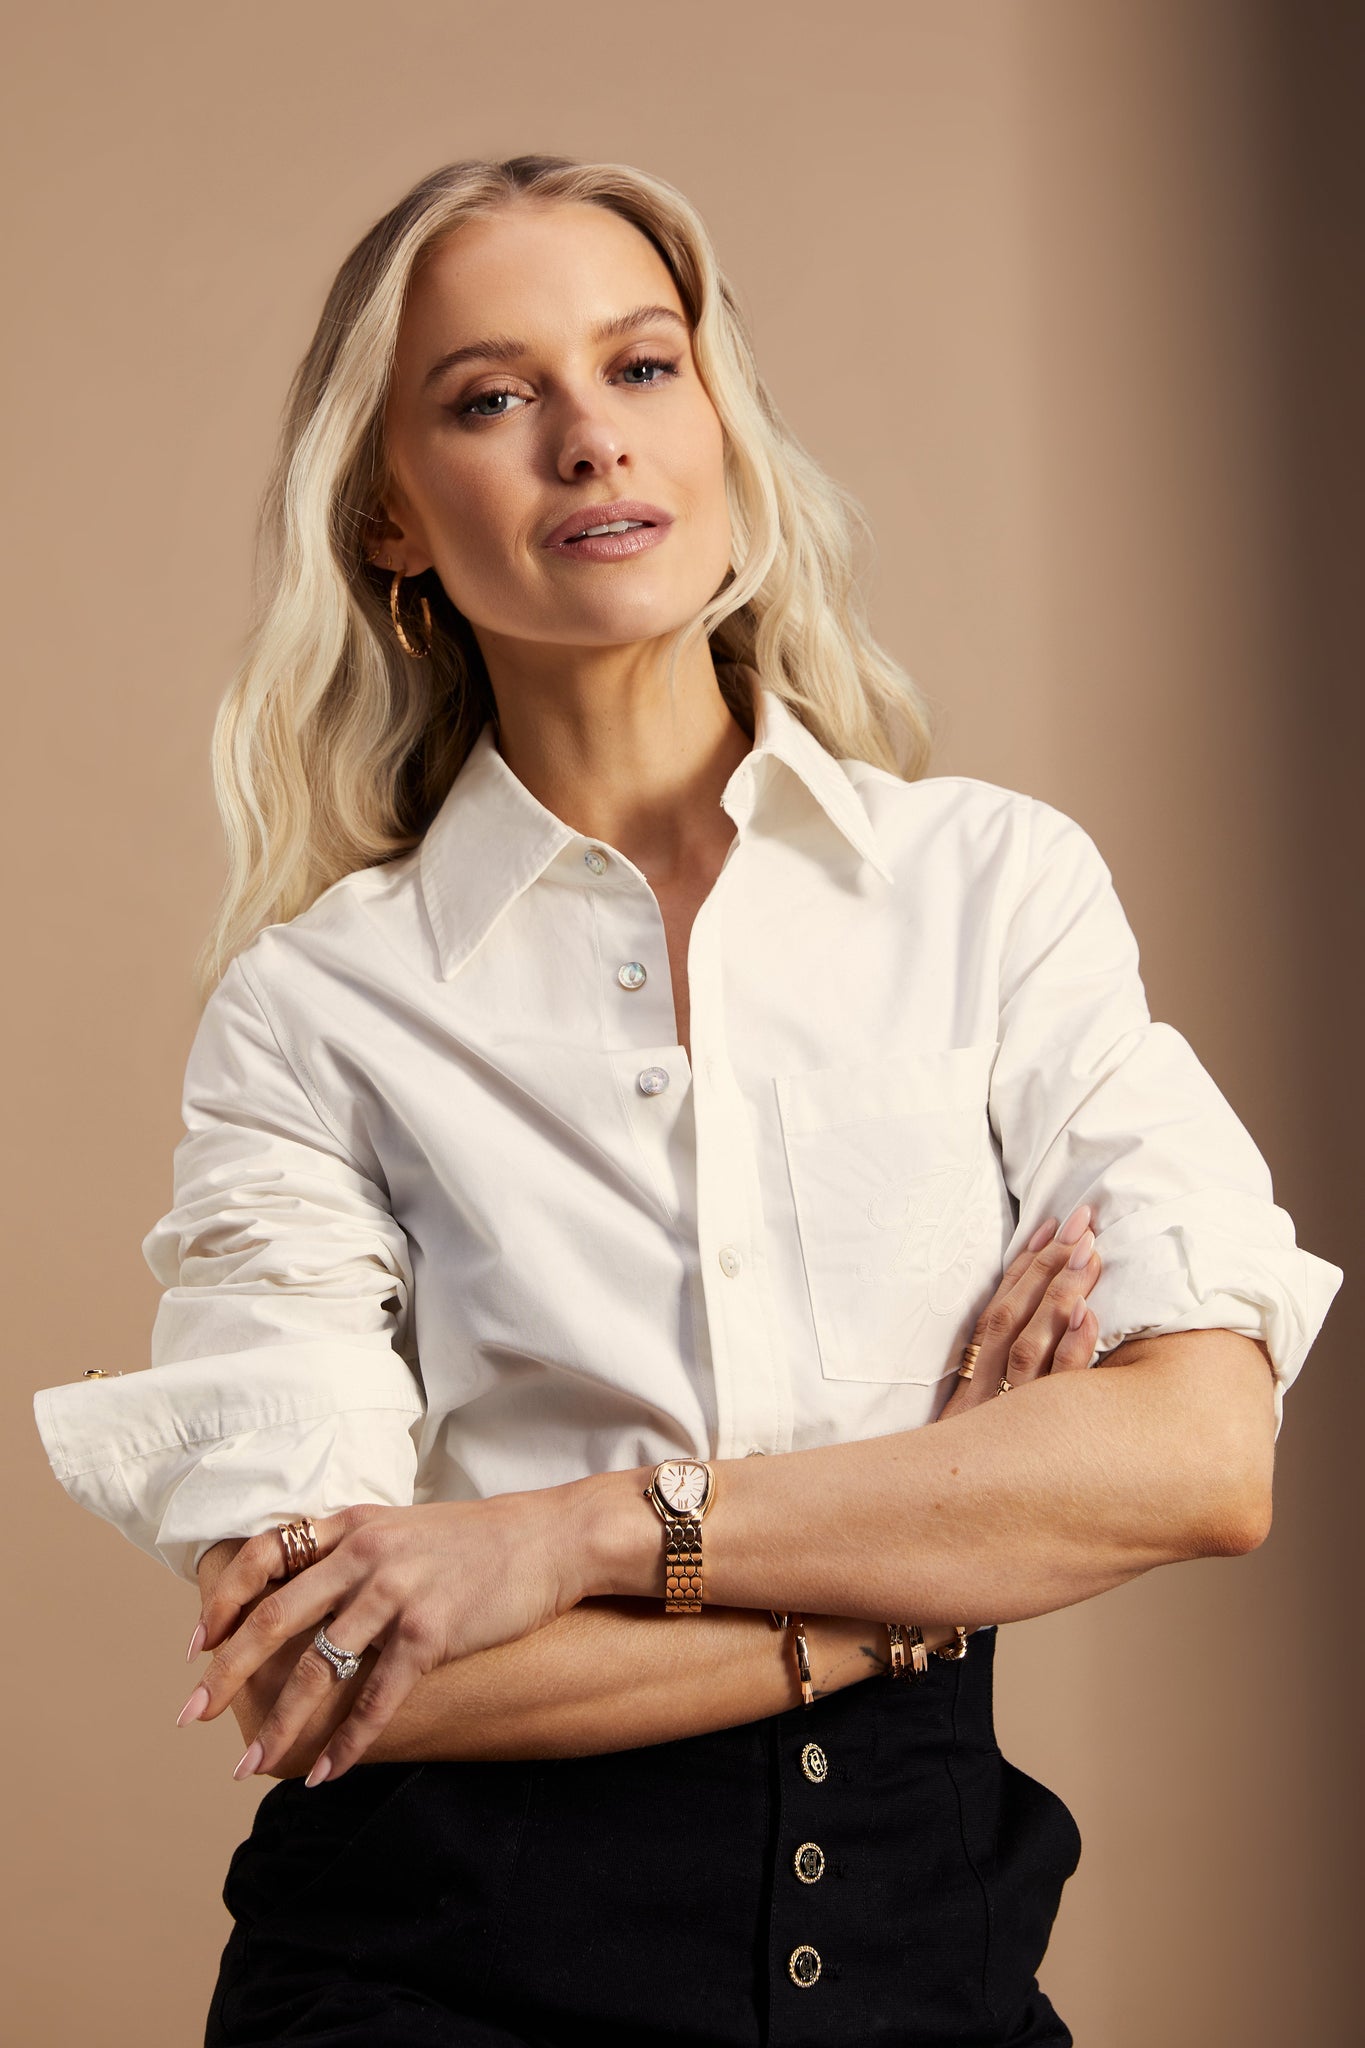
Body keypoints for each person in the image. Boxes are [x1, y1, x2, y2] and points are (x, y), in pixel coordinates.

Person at [34, 154, 1342, 2048]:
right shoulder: (316, 1010)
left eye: (642, 368)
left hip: (929, 1973)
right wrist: (905, 1588)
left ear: (717, 421)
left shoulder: (988, 890)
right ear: (393, 518)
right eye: (492, 399)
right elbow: (324, 1668)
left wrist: (562, 1540)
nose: (588, 440)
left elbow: (1202, 1460)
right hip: (425, 1990)